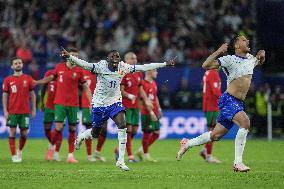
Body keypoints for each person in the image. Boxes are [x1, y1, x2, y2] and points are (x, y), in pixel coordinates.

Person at [61, 49, 176, 171]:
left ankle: (120, 161)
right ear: (108, 59)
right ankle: (82, 136)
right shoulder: (100, 66)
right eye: (113, 56)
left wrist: (165, 64)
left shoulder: (123, 67)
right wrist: (70, 57)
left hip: (115, 102)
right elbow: (84, 64)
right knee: (95, 133)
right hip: (99, 104)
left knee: (123, 126)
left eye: (118, 56)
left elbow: (144, 67)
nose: (116, 58)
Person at [176, 35, 265, 172]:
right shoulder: (229, 59)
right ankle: (238, 162)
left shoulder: (251, 59)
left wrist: (262, 54)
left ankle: (187, 143)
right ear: (236, 45)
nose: (247, 41)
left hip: (238, 102)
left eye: (247, 39)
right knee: (245, 123)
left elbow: (260, 60)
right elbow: (205, 65)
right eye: (243, 40)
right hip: (229, 99)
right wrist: (219, 51)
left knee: (215, 135)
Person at [35, 48, 92, 163]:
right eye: (72, 55)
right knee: (58, 127)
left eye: (76, 55)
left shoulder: (79, 71)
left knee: (72, 129)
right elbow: (51, 78)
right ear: (67, 56)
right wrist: (38, 82)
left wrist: (91, 103)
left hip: (74, 104)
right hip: (60, 103)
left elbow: (85, 87)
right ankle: (51, 149)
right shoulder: (59, 67)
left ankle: (70, 156)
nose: (74, 57)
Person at [2, 57, 36, 163]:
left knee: (24, 134)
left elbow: (33, 95)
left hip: (25, 112)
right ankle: (13, 156)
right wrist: (5, 110)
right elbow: (4, 95)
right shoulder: (8, 80)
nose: (18, 64)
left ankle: (19, 151)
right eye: (15, 63)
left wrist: (34, 108)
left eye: (19, 63)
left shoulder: (28, 78)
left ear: (22, 65)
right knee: (12, 133)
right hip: (12, 111)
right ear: (12, 66)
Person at [114, 52, 146, 163]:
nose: (135, 60)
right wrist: (129, 95)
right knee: (129, 130)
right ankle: (130, 156)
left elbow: (141, 89)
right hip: (126, 106)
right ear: (126, 60)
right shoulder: (123, 73)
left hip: (135, 106)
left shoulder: (138, 74)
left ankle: (118, 148)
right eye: (132, 58)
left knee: (135, 130)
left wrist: (146, 100)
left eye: (135, 58)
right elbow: (120, 90)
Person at [136, 69, 162, 162]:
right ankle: (146, 155)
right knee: (147, 133)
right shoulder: (142, 84)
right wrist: (150, 112)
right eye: (155, 71)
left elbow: (155, 97)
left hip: (154, 111)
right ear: (149, 72)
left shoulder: (154, 83)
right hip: (146, 112)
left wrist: (159, 109)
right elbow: (143, 100)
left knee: (157, 133)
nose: (156, 73)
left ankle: (140, 150)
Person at [40, 69, 63, 161]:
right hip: (49, 107)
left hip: (60, 107)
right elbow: (44, 88)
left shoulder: (64, 76)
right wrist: (42, 102)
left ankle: (56, 153)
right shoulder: (49, 73)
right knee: (47, 129)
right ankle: (52, 144)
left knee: (59, 130)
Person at [200, 67, 222, 163]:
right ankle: (208, 155)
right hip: (212, 106)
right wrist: (225, 100)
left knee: (212, 131)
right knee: (213, 132)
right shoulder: (213, 73)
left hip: (209, 105)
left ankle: (205, 150)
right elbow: (215, 91)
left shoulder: (208, 72)